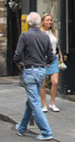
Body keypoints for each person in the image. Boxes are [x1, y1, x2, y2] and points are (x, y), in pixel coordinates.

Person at [14, 12, 54, 141]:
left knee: (34, 103)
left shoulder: (25, 36)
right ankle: (21, 128)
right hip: (41, 71)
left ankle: (47, 132)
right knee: (31, 101)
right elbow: (51, 57)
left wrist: (20, 64)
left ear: (29, 23)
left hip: (30, 71)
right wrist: (45, 62)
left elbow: (17, 55)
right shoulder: (45, 37)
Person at [40, 14, 63, 113]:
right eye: (47, 20)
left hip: (53, 58)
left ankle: (52, 103)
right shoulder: (41, 33)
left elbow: (57, 45)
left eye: (50, 20)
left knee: (55, 82)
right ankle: (44, 104)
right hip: (43, 59)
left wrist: (61, 55)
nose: (49, 22)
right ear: (42, 21)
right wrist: (43, 61)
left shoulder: (54, 32)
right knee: (43, 83)